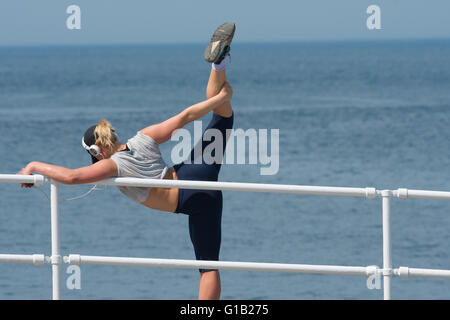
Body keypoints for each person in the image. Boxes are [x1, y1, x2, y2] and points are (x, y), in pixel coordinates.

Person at [17, 22, 236, 300]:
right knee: (222, 116)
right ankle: (219, 65)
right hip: (197, 172)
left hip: (191, 198)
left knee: (208, 267)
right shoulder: (142, 137)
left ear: (97, 151)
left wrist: (34, 165)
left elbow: (71, 177)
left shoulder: (111, 165)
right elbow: (185, 117)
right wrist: (221, 97)